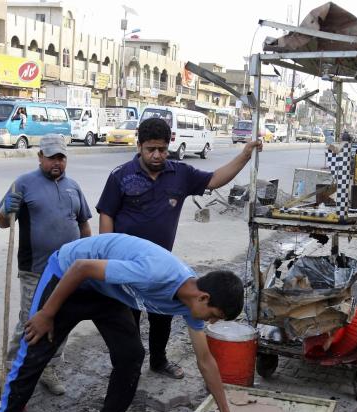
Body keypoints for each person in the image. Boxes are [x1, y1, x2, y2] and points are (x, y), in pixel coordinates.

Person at [0, 233, 244, 412]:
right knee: (34, 355)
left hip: (105, 292)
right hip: (67, 276)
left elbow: (205, 360)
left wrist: (225, 411)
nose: (210, 322)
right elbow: (81, 267)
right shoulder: (155, 273)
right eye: (213, 315)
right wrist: (47, 313)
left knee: (131, 356)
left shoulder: (191, 304)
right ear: (204, 297)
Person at [96, 116, 261, 379]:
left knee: (162, 315)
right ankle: (127, 368)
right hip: (126, 266)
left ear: (169, 144)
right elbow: (107, 214)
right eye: (151, 149)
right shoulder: (120, 176)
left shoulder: (180, 174)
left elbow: (215, 179)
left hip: (161, 267)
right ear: (139, 146)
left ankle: (159, 362)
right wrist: (105, 256)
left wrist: (245, 155)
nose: (157, 155)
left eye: (162, 149)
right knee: (128, 319)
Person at [0, 133, 92, 395]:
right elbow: (3, 221)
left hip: (67, 270)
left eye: (61, 157)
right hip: (34, 269)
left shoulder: (73, 186)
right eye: (51, 157)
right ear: (40, 158)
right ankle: (11, 369)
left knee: (61, 318)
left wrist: (88, 257)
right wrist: (6, 210)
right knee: (29, 320)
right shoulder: (24, 184)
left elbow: (83, 223)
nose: (56, 162)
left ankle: (49, 366)